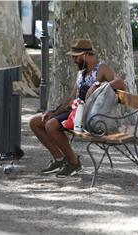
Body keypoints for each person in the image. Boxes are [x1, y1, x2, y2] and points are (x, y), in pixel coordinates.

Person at [29, 38, 125, 177]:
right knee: (35, 122)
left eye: (76, 57)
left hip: (88, 115)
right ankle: (60, 159)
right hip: (75, 111)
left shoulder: (102, 68)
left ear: (86, 54)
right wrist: (54, 112)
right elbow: (71, 98)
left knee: (51, 126)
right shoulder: (82, 72)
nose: (73, 60)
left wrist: (97, 84)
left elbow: (120, 83)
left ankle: (74, 163)